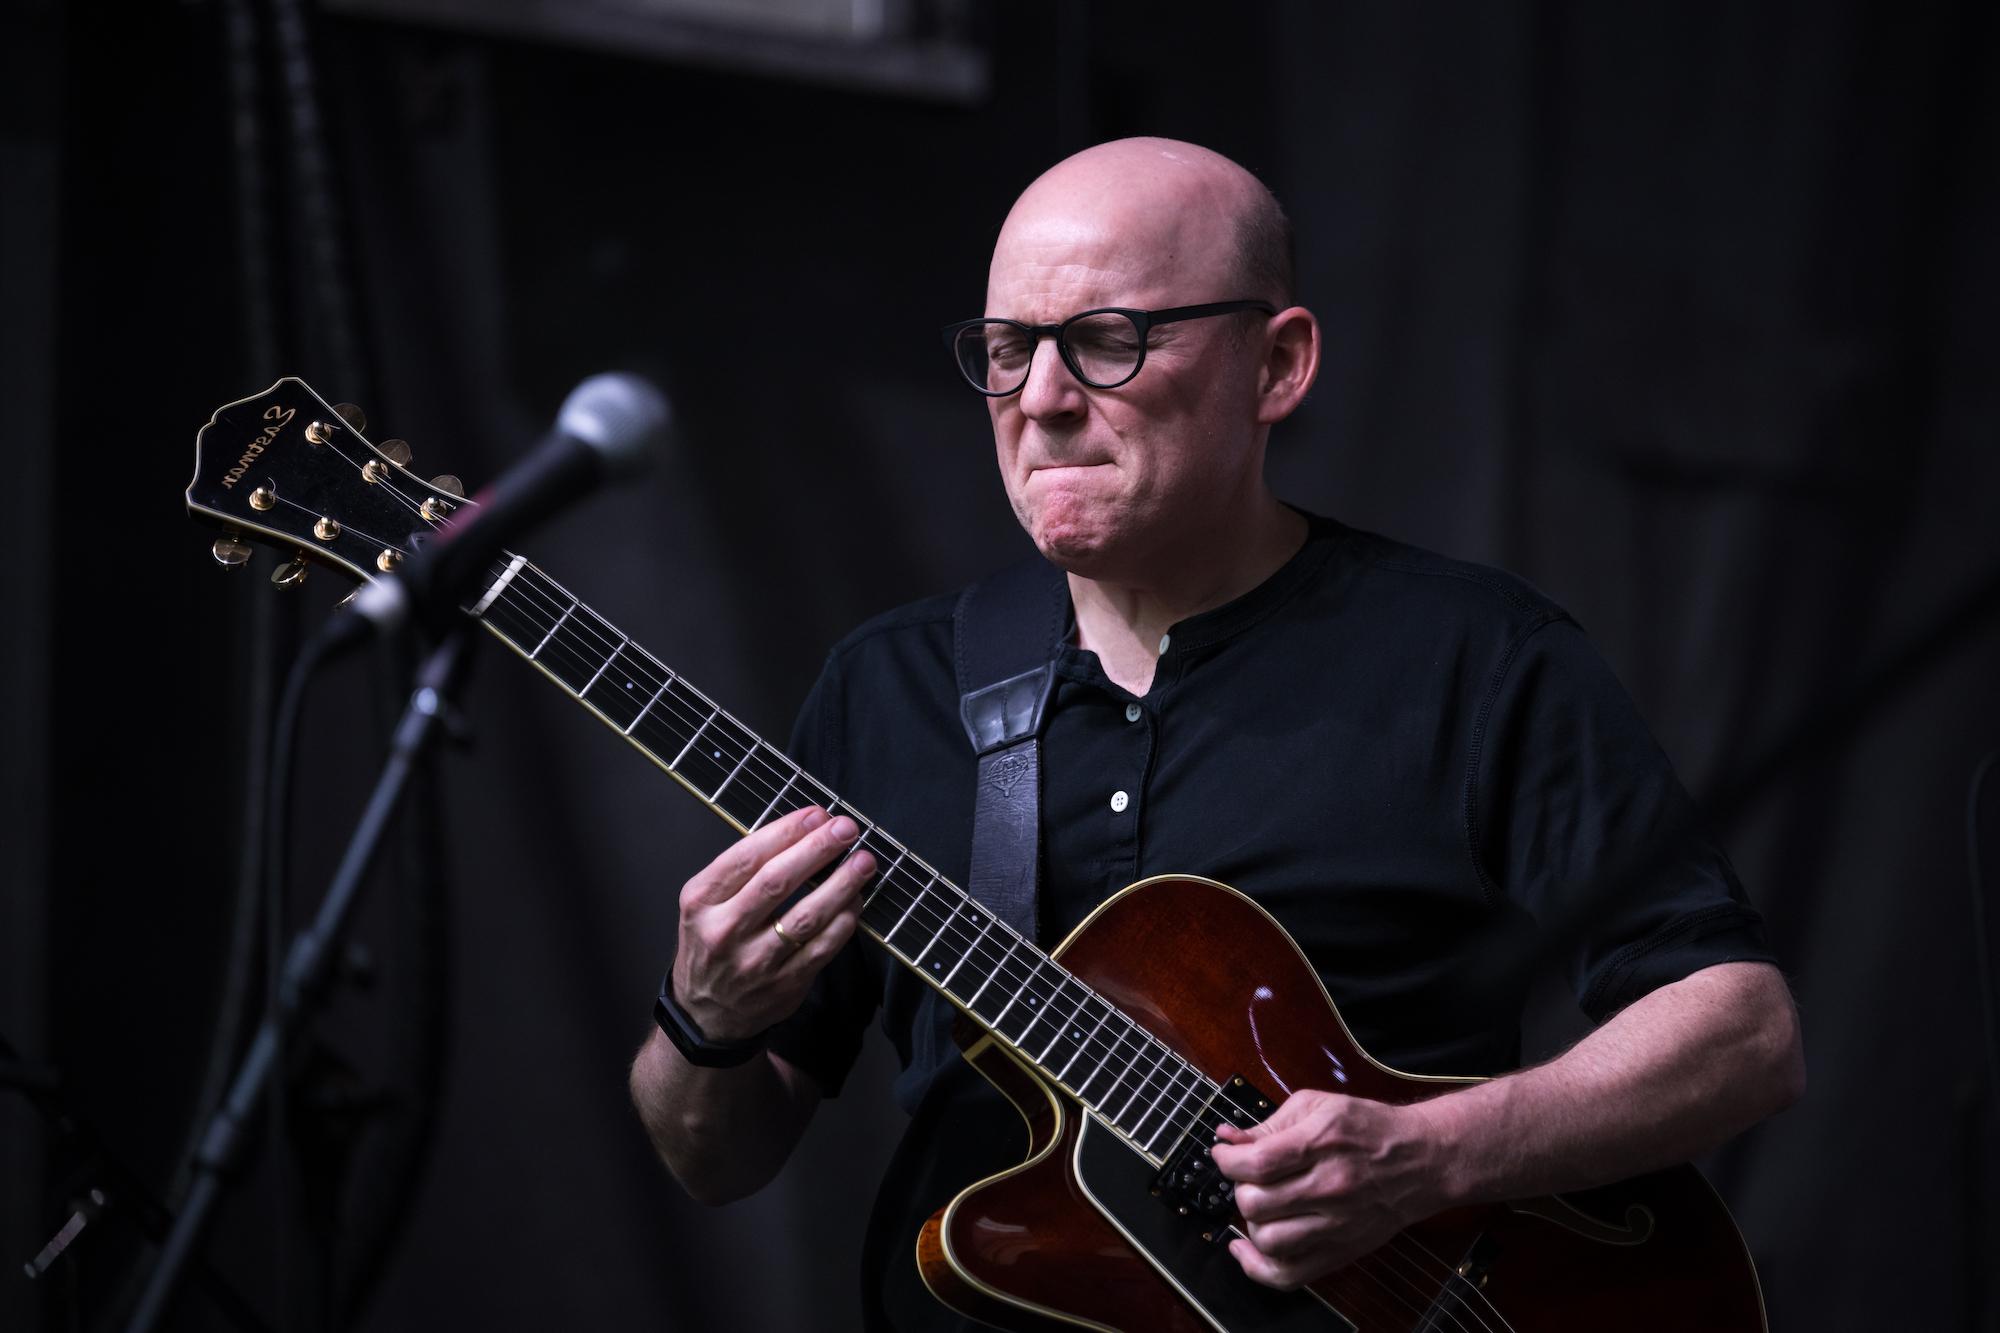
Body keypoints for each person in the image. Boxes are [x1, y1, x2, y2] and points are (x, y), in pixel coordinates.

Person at [627, 137, 1805, 1325]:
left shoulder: (1472, 657)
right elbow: (714, 1159)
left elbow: (1735, 1030)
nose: (1039, 398)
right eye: (1006, 349)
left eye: (1103, 340)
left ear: (1277, 364)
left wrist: (1427, 1155)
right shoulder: (886, 689)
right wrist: (701, 1019)